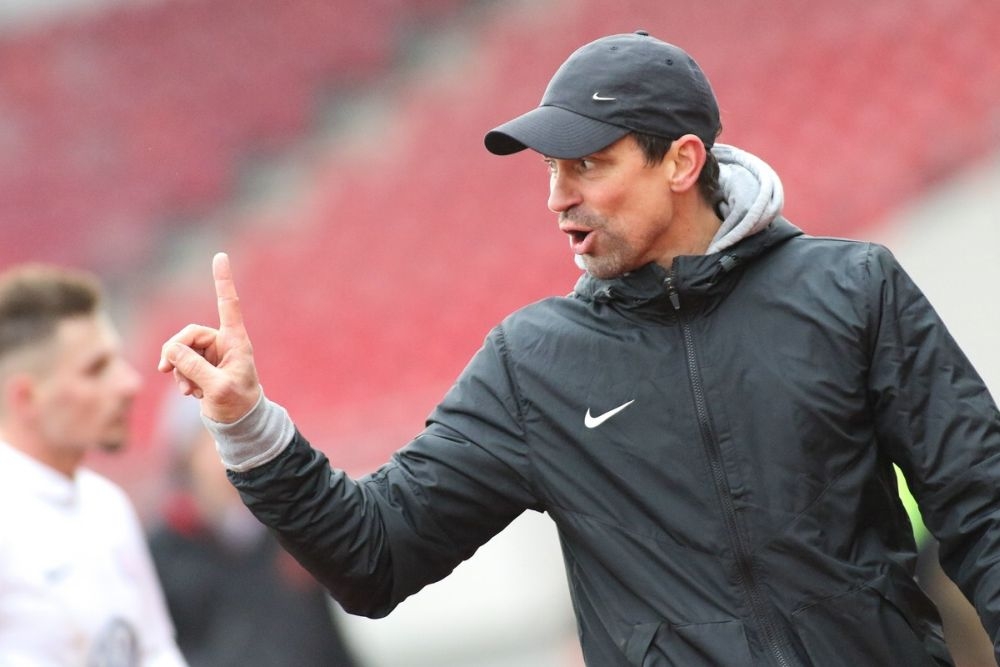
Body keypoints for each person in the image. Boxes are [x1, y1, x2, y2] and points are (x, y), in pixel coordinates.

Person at [158, 31, 1000, 666]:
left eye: (587, 165)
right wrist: (250, 428)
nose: (558, 198)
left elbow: (982, 506)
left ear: (682, 161)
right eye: (550, 170)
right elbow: (375, 556)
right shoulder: (533, 363)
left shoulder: (853, 289)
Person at [0, 264, 187, 666]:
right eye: (96, 369)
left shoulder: (108, 505)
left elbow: (154, 650)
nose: (129, 384)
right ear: (26, 398)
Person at [146, 396, 362, 667]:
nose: (231, 449)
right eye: (214, 438)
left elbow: (328, 640)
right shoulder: (164, 553)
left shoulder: (288, 531)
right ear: (187, 457)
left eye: (240, 434)